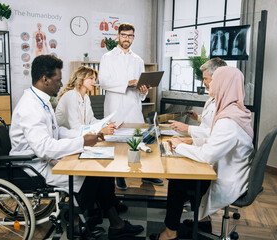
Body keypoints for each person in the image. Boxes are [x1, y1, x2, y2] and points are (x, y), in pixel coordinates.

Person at [9, 55, 144, 239]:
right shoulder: (30, 107)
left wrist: (89, 136)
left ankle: (112, 222)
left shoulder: (42, 101)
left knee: (100, 169)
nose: (61, 83)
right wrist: (82, 141)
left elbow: (58, 133)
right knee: (91, 175)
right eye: (57, 80)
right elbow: (44, 147)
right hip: (33, 167)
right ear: (45, 79)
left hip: (45, 158)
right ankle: (77, 222)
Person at [150, 66, 254, 240]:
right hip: (229, 171)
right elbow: (213, 140)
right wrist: (188, 142)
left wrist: (178, 146)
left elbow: (208, 155)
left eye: (213, 80)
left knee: (178, 180)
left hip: (226, 180)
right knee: (186, 175)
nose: (209, 83)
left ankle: (169, 233)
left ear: (223, 84)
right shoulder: (234, 111)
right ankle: (203, 221)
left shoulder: (228, 120)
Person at [99, 22, 163, 190]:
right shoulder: (108, 57)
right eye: (124, 35)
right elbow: (104, 83)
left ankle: (146, 174)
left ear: (133, 37)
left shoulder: (138, 60)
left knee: (138, 138)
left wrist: (143, 89)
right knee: (117, 141)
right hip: (115, 106)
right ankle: (119, 175)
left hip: (133, 106)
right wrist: (127, 83)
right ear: (118, 36)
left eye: (130, 36)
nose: (127, 39)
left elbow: (141, 91)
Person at [169, 58, 227, 140]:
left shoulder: (226, 103)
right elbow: (210, 121)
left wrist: (188, 128)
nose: (203, 82)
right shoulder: (212, 98)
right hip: (203, 141)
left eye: (205, 79)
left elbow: (217, 134)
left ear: (217, 79)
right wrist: (197, 118)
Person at [55, 65, 115, 135]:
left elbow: (91, 120)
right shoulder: (70, 96)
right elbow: (75, 128)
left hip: (79, 138)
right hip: (65, 139)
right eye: (91, 78)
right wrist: (100, 130)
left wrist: (106, 124)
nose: (94, 82)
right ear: (81, 78)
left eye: (95, 79)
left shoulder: (86, 97)